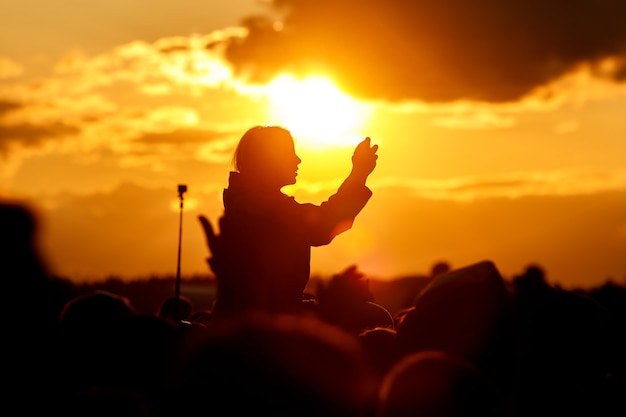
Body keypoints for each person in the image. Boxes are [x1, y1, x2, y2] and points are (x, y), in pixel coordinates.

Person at [199, 125, 378, 316]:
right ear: (268, 160)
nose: (297, 160)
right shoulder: (264, 207)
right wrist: (359, 174)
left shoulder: (248, 201)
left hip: (260, 313)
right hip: (270, 320)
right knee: (371, 317)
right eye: (289, 153)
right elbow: (325, 224)